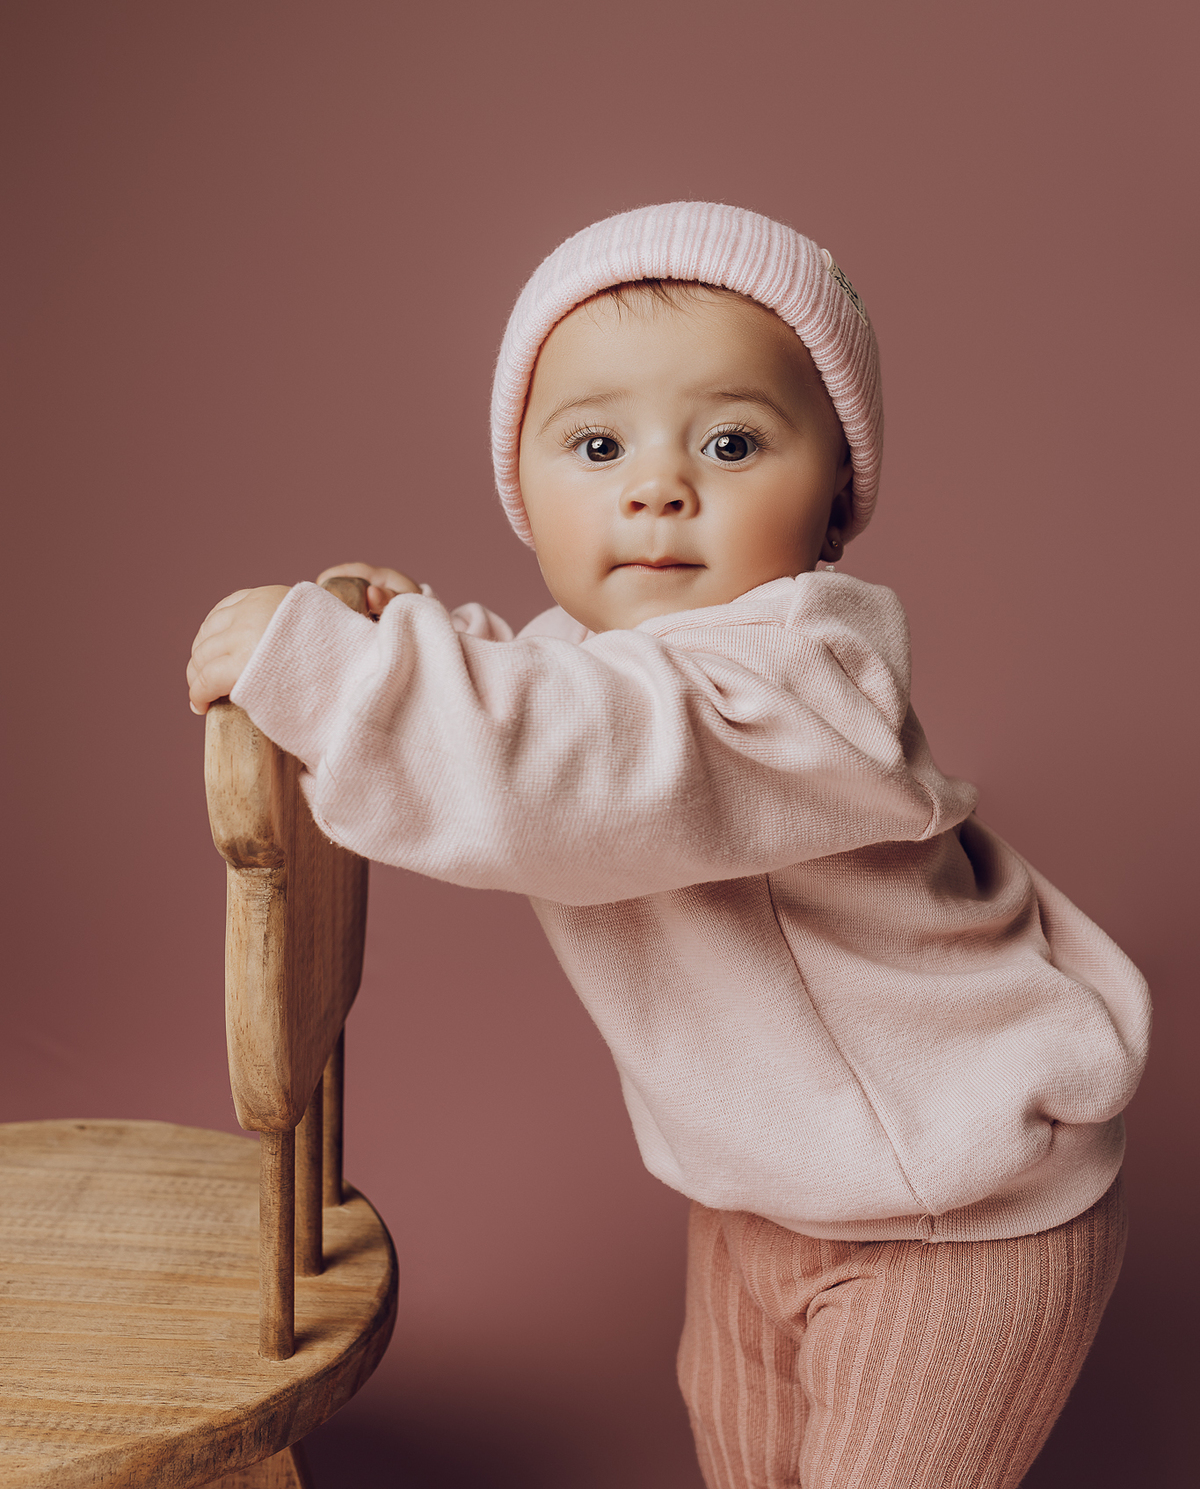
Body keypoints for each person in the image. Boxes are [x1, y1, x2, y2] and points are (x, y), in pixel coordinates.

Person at [187, 202, 1149, 1489]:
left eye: (732, 442)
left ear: (835, 500)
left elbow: (585, 767)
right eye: (596, 445)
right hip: (757, 1197)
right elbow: (545, 711)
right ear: (522, 492)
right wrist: (417, 640)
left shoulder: (812, 680)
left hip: (958, 1220)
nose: (657, 487)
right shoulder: (591, 674)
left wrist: (333, 674)